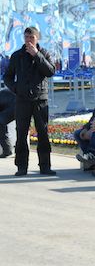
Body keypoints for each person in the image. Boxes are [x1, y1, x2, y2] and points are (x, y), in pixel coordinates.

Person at [2, 26, 56, 176]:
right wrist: (16, 89)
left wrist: (37, 55)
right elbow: (7, 77)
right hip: (22, 100)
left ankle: (45, 166)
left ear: (37, 38)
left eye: (31, 38)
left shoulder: (44, 53)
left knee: (43, 133)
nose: (28, 41)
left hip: (40, 100)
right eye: (26, 37)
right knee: (21, 133)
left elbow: (50, 71)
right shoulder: (17, 55)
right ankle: (21, 166)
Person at [0, 87, 16, 158]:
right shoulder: (2, 92)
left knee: (0, 125)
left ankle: (7, 151)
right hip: (22, 104)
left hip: (14, 106)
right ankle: (8, 150)